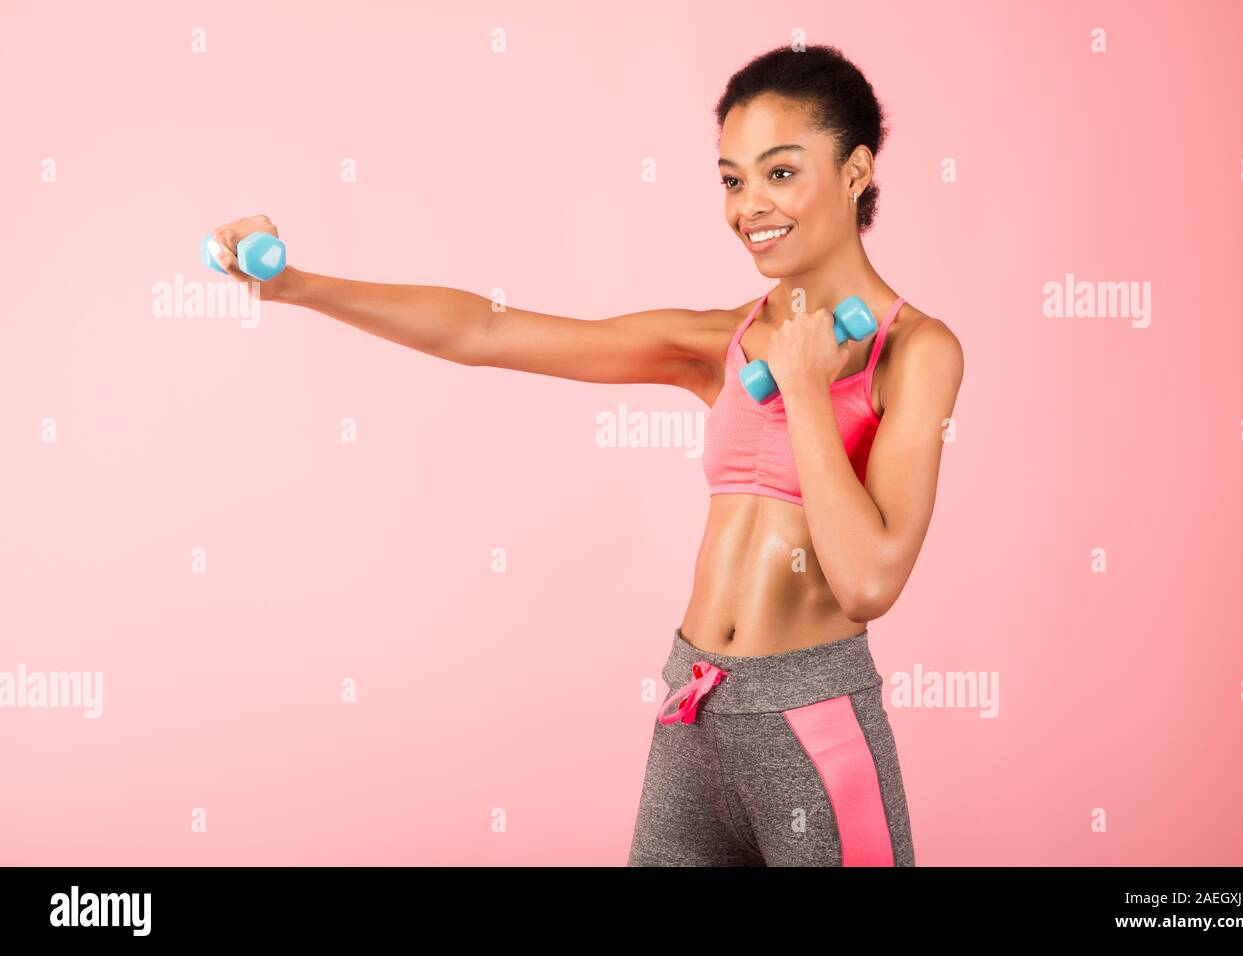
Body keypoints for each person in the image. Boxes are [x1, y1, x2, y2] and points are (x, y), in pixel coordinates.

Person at [204, 43, 963, 867]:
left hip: (814, 723)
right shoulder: (720, 342)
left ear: (856, 172)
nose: (750, 206)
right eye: (732, 179)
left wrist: (809, 391)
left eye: (781, 173)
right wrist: (297, 286)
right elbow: (487, 331)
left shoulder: (916, 352)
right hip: (694, 708)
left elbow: (868, 581)